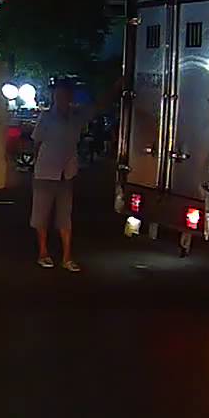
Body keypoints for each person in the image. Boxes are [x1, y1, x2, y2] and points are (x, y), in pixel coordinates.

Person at [30, 77, 122, 272]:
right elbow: (36, 142)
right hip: (46, 172)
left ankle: (66, 257)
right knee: (41, 215)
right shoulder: (46, 117)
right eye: (59, 95)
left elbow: (98, 106)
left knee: (65, 216)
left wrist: (115, 88)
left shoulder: (76, 116)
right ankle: (43, 253)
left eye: (66, 95)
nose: (62, 98)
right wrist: (36, 166)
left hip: (66, 173)